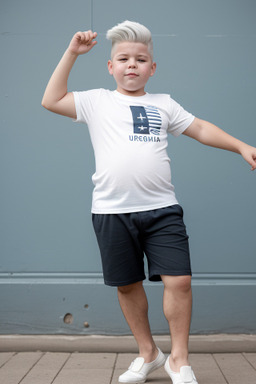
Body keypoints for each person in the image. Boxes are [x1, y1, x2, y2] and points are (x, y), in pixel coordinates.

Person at [42, 20, 256, 384]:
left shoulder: (164, 104)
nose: (131, 64)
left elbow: (201, 128)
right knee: (127, 285)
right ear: (110, 67)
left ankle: (179, 359)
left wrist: (242, 147)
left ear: (151, 68)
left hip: (162, 210)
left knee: (180, 281)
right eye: (123, 58)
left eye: (140, 59)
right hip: (111, 211)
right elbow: (51, 100)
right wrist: (71, 53)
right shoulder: (97, 101)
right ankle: (148, 353)